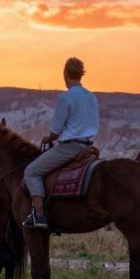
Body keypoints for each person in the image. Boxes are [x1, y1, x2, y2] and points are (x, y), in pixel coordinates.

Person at [23, 57, 99, 229]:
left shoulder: (66, 97)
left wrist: (46, 139)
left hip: (70, 148)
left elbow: (55, 132)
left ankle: (39, 215)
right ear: (81, 75)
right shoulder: (92, 97)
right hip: (89, 146)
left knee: (32, 171)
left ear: (65, 74)